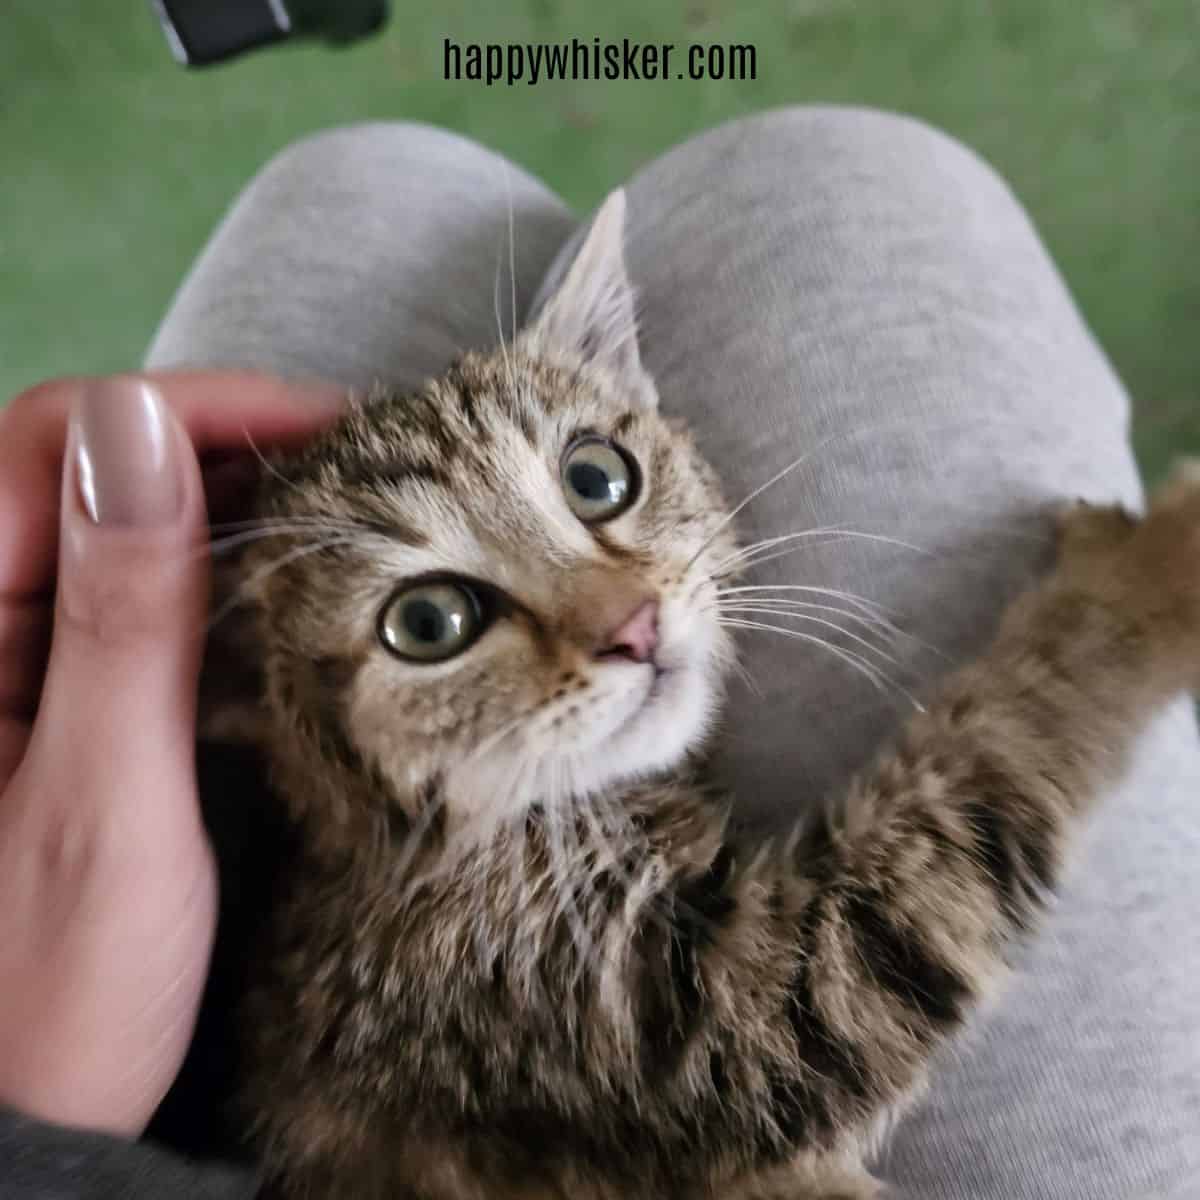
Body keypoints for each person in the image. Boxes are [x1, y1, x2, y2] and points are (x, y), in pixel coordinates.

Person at [1, 108, 1196, 1199]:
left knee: (360, 174)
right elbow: (816, 1031)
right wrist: (1113, 632)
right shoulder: (439, 917)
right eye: (434, 621)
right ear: (259, 710)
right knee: (851, 168)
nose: (617, 613)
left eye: (595, 479)